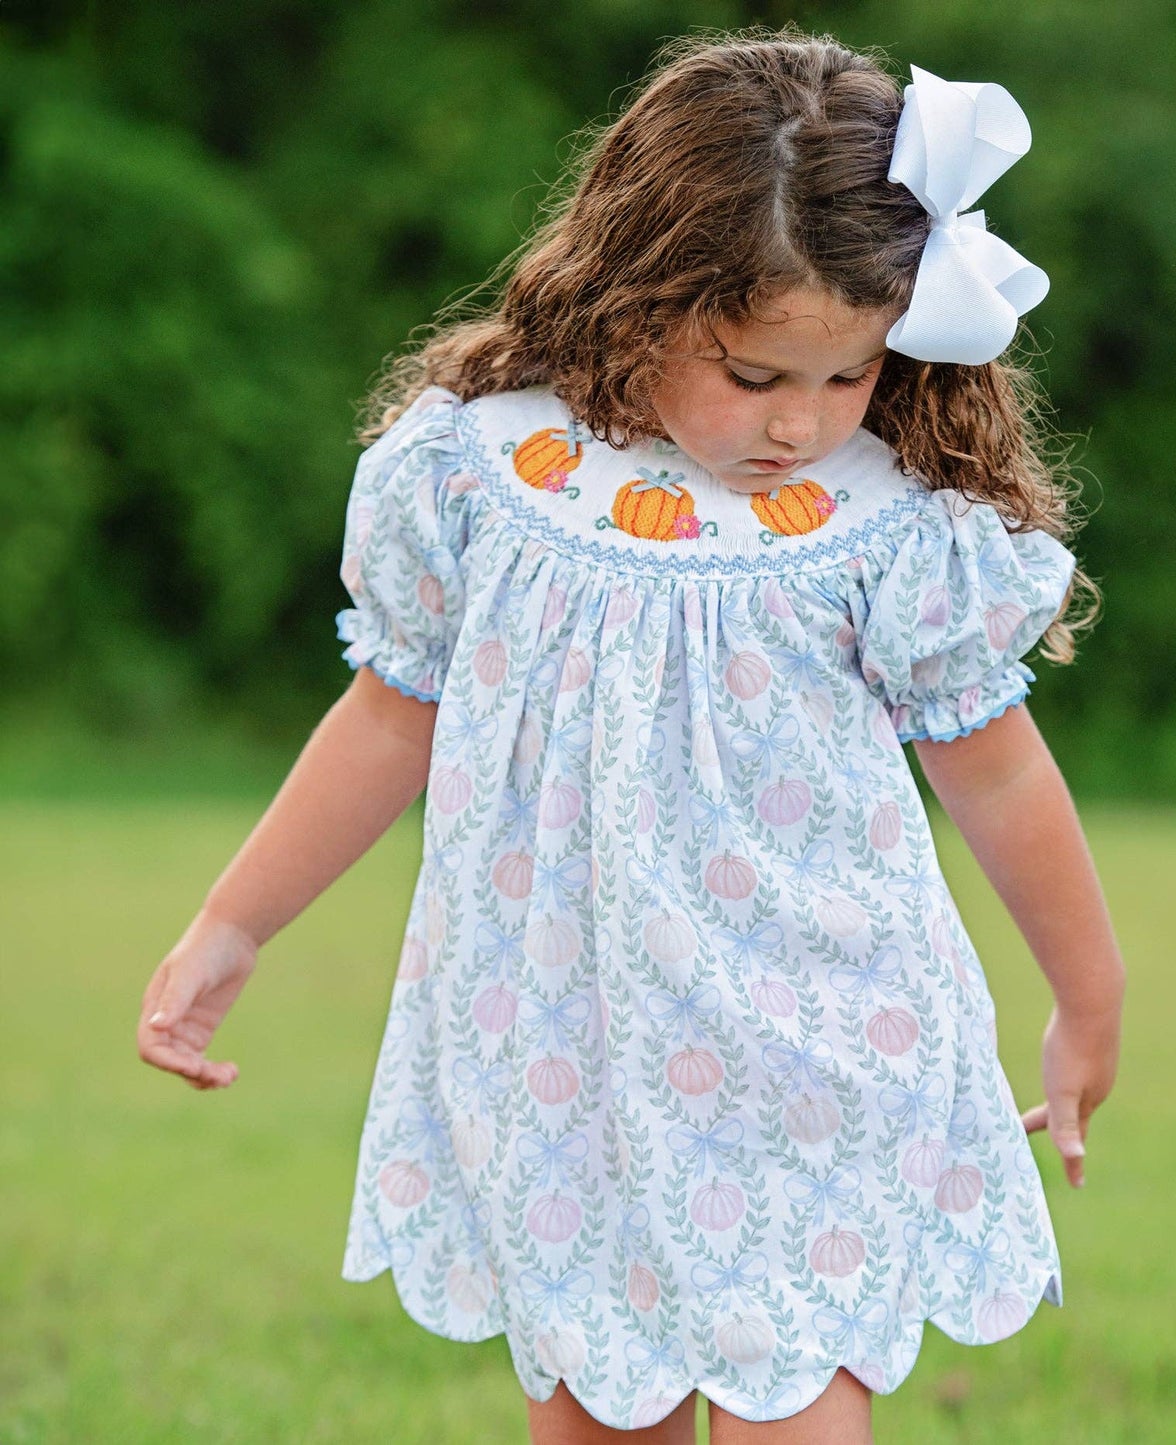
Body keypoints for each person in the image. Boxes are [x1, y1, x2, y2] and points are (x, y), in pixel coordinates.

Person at [137, 27, 1125, 1445]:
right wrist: (232, 925)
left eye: (845, 377)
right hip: (562, 1033)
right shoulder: (486, 473)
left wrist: (1085, 994)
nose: (801, 424)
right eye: (754, 374)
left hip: (821, 1030)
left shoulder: (886, 525)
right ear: (638, 297)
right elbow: (385, 717)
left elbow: (998, 764)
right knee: (602, 1412)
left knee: (801, 1402)